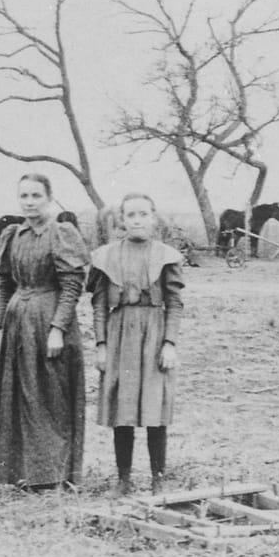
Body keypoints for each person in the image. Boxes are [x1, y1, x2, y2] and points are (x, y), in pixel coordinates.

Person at [0, 173, 88, 490]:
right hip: (19, 324)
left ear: (49, 198)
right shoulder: (12, 235)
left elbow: (72, 286)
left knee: (50, 397)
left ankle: (53, 474)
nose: (29, 202)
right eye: (24, 196)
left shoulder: (62, 233)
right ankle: (20, 472)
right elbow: (6, 283)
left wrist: (57, 329)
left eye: (36, 196)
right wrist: (2, 324)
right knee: (17, 396)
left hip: (48, 319)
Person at [87, 193, 185, 495]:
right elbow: (100, 304)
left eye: (143, 214)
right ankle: (123, 479)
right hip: (119, 334)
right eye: (131, 215)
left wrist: (169, 343)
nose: (137, 220)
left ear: (154, 218)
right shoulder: (106, 255)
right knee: (122, 408)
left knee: (155, 407)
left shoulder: (167, 255)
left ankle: (158, 478)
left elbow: (175, 303)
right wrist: (102, 345)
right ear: (122, 220)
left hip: (154, 333)